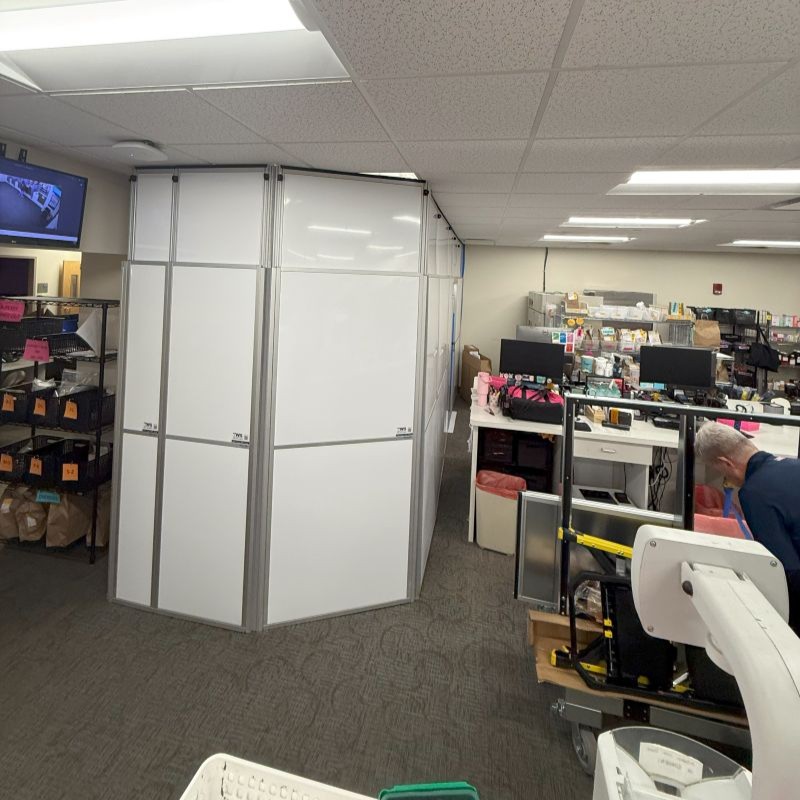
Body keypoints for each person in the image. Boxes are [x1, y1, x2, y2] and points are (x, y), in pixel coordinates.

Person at [695, 421, 800, 632]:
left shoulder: (754, 493)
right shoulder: (793, 465)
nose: (728, 481)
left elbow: (784, 568)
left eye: (723, 474)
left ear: (725, 463)